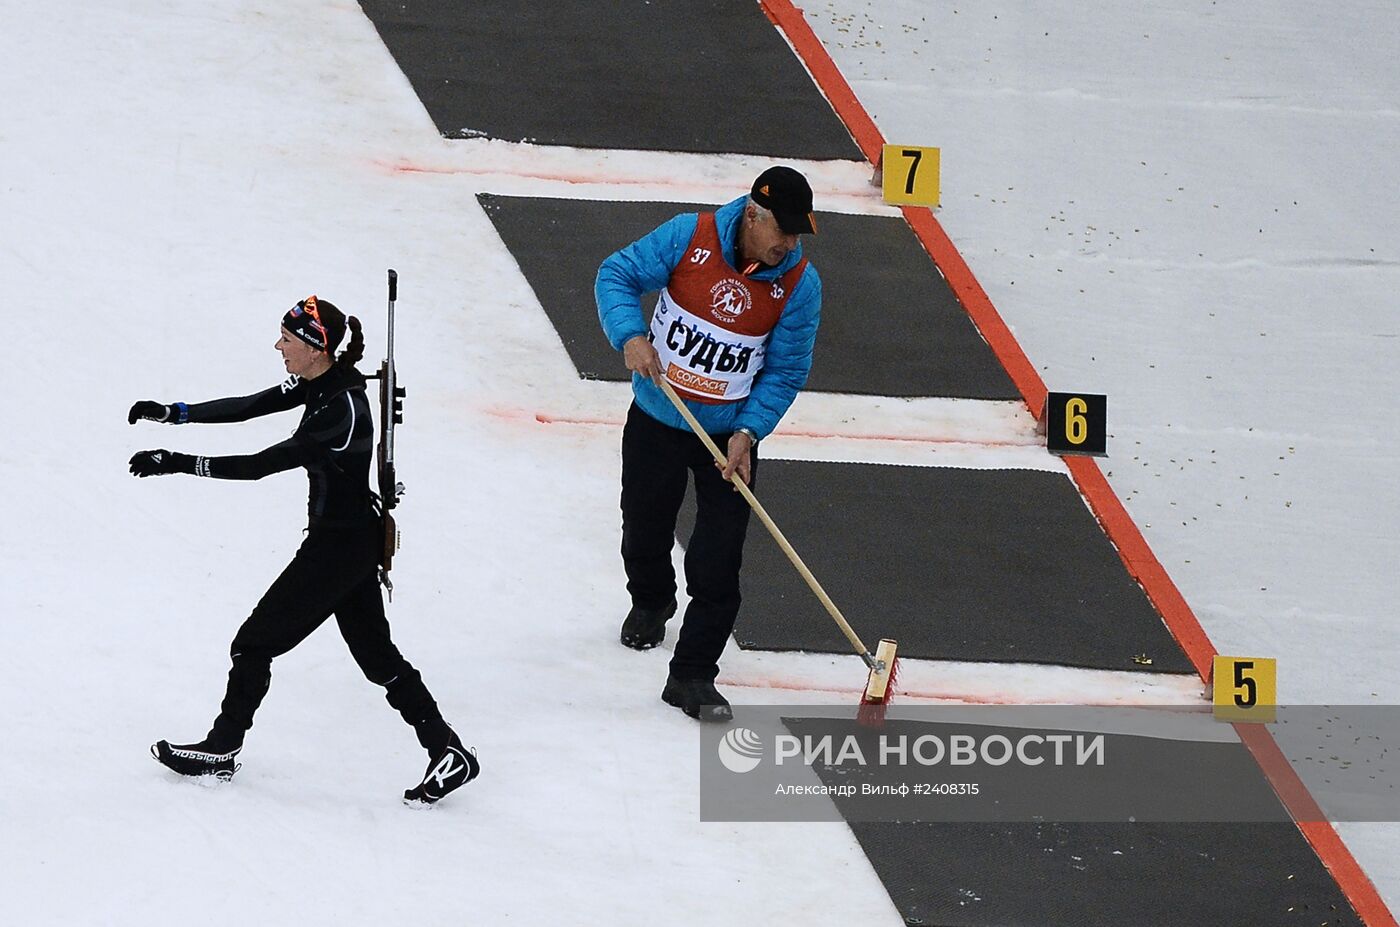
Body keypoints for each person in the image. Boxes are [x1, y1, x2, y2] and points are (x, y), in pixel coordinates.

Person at [127, 295, 478, 804]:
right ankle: (447, 752)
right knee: (377, 658)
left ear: (317, 350)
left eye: (287, 341)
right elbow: (252, 405)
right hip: (350, 539)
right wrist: (174, 413)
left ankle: (223, 747)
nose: (279, 347)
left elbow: (259, 465)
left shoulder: (340, 411)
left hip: (338, 548)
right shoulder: (321, 382)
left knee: (253, 643)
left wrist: (176, 461)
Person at [595, 166, 822, 722]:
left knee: (719, 559)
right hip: (658, 416)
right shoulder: (687, 236)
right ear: (752, 214)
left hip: (729, 438)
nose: (788, 245)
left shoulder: (799, 285)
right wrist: (629, 336)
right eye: (781, 232)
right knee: (644, 527)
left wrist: (749, 432)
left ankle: (693, 674)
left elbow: (786, 370)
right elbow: (616, 274)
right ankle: (651, 601)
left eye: (797, 235)